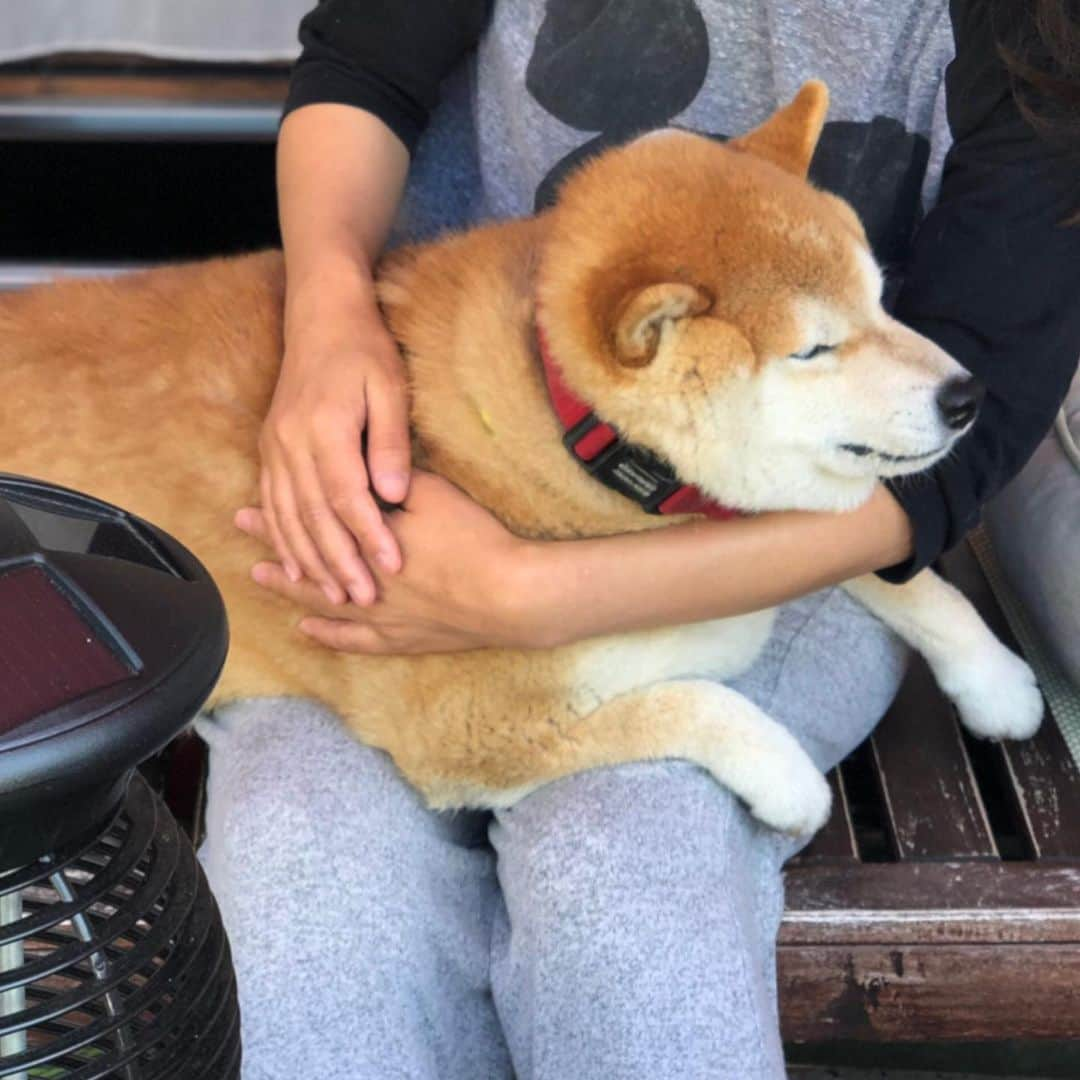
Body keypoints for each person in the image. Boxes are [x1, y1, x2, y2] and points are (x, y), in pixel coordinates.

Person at [196, 2, 1080, 1077]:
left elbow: (969, 420)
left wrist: (525, 597)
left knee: (621, 856)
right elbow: (362, 64)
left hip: (799, 533)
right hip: (426, 456)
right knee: (305, 852)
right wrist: (325, 321)